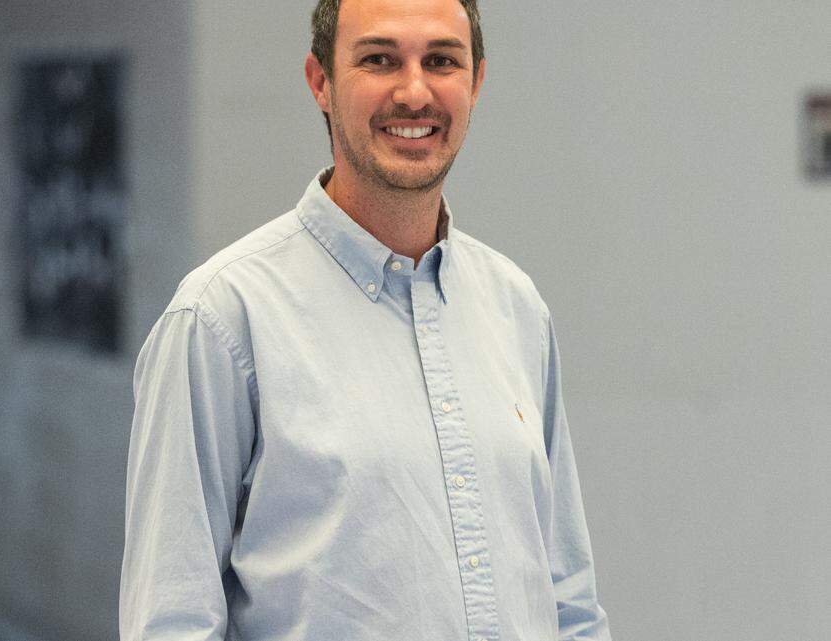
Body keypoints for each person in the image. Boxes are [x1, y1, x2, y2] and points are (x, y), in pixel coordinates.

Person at [120, 0, 612, 639]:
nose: (415, 92)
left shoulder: (515, 306)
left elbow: (568, 601)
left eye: (441, 61)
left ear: (476, 81)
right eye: (379, 59)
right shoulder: (220, 319)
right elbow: (172, 620)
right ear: (320, 81)